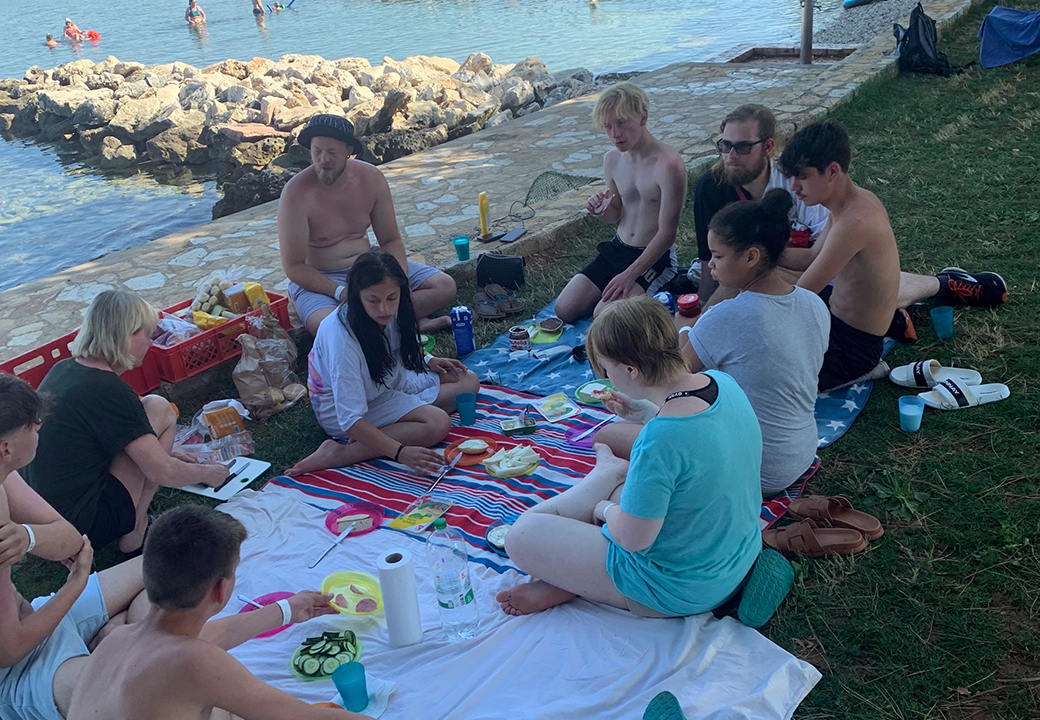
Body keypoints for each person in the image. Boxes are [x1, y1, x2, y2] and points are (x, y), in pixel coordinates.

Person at [497, 296, 762, 618]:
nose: (607, 378)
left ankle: (577, 573)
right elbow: (699, 441)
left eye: (606, 369)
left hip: (679, 588)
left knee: (521, 536)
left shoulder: (660, 440)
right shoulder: (722, 383)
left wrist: (605, 510)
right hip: (735, 558)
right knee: (627, 495)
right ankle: (577, 571)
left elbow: (633, 539)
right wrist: (648, 414)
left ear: (630, 370)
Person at [66, 506, 360, 720]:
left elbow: (208, 637)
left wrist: (286, 610)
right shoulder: (196, 663)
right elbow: (302, 716)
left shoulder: (117, 641)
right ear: (221, 588)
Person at [776, 120, 1008, 391]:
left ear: (832, 171)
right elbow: (811, 257)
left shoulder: (855, 222)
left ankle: (867, 367)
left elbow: (801, 295)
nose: (794, 187)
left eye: (802, 176)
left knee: (774, 377)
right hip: (837, 319)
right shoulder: (846, 204)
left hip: (853, 349)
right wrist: (767, 257)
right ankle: (900, 318)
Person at [23, 291, 228, 555]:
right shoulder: (108, 389)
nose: (151, 343)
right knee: (159, 408)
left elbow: (91, 441)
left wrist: (164, 452)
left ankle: (131, 525)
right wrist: (209, 474)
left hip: (44, 518)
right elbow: (163, 472)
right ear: (126, 336)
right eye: (148, 335)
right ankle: (136, 529)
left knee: (150, 418)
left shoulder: (63, 368)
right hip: (83, 524)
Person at [678, 190, 828, 495]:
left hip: (759, 472)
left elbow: (673, 378)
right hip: (801, 453)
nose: (710, 265)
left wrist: (683, 330)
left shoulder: (725, 317)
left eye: (718, 256)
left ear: (751, 256)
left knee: (616, 436)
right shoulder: (814, 303)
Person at [287, 251, 479, 476]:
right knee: (437, 423)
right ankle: (342, 453)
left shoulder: (398, 309)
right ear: (357, 296)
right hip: (348, 409)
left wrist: (428, 360)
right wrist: (400, 452)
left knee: (467, 380)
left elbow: (399, 344)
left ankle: (396, 426)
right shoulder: (342, 339)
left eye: (391, 298)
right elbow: (350, 419)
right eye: (373, 300)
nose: (384, 309)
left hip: (389, 381)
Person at [278, 114, 456, 336]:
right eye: (317, 152)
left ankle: (390, 322)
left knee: (444, 286)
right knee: (329, 327)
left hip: (369, 264)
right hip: (321, 279)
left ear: (348, 150)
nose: (323, 160)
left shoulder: (371, 178)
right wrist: (340, 292)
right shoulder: (296, 193)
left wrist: (397, 283)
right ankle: (404, 323)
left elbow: (390, 240)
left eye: (332, 153)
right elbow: (294, 266)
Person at [554, 83, 687, 323]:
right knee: (564, 309)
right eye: (608, 126)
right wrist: (599, 210)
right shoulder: (612, 160)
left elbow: (668, 233)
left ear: (643, 117)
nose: (615, 134)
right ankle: (626, 299)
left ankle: (652, 295)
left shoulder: (669, 165)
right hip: (618, 247)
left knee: (604, 317)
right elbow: (615, 215)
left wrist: (630, 274)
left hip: (654, 256)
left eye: (622, 123)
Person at [691, 104, 828, 306]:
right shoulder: (712, 187)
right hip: (740, 274)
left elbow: (826, 253)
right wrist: (701, 302)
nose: (731, 156)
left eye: (743, 147)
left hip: (806, 281)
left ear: (768, 147)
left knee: (744, 269)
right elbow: (707, 257)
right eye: (726, 145)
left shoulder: (796, 181)